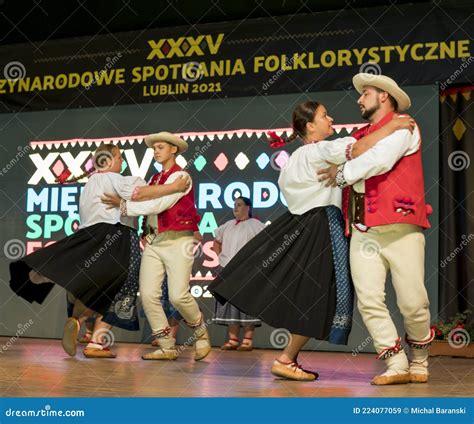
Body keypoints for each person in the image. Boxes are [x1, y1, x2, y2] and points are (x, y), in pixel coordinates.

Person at [209, 101, 415, 381]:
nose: (330, 119)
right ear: (309, 126)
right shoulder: (320, 150)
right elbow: (357, 149)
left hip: (300, 224)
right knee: (319, 295)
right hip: (323, 225)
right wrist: (391, 125)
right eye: (324, 116)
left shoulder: (293, 160)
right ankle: (286, 358)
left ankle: (287, 358)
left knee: (309, 294)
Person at [9, 143, 188, 358]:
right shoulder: (113, 179)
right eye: (120, 157)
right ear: (108, 160)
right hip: (117, 237)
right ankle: (96, 342)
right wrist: (174, 187)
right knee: (121, 289)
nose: (122, 161)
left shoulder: (90, 183)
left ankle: (77, 319)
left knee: (94, 287)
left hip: (90, 236)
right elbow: (141, 194)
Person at [319, 74, 433, 385]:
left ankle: (420, 356)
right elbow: (359, 154)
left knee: (413, 301)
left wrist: (341, 174)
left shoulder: (404, 125)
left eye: (365, 93)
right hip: (363, 228)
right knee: (369, 298)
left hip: (401, 224)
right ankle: (395, 361)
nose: (359, 99)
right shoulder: (360, 135)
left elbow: (380, 160)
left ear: (384, 96)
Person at [103, 132, 211, 362]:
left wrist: (125, 207)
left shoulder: (182, 176)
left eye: (161, 147)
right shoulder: (154, 179)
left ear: (174, 149)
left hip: (178, 241)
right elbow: (148, 203)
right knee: (149, 294)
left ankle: (201, 336)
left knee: (178, 295)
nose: (156, 151)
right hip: (153, 241)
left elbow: (158, 203)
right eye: (154, 148)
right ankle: (166, 345)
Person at [212, 197, 264, 351]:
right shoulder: (228, 225)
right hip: (227, 270)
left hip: (247, 270)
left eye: (239, 205)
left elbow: (266, 244)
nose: (235, 208)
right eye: (234, 205)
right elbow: (217, 241)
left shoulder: (256, 225)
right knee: (230, 303)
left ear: (248, 207)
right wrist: (221, 257)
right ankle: (233, 339)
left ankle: (247, 340)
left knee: (247, 303)